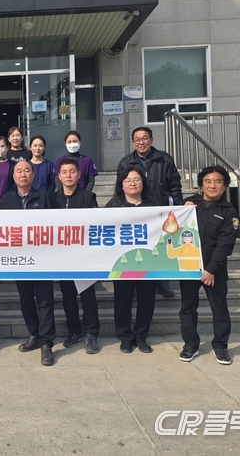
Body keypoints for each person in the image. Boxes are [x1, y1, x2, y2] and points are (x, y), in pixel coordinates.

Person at [178, 166, 239, 365]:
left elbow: (225, 244)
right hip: (189, 266)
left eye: (218, 181)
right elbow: (171, 225)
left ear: (224, 186)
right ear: (201, 185)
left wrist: (211, 270)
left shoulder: (228, 211)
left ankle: (220, 346)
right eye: (208, 181)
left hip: (214, 269)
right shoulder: (189, 204)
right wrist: (181, 207)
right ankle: (190, 344)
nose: (212, 185)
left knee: (219, 308)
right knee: (187, 307)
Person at [0, 161, 56, 366]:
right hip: (19, 259)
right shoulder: (7, 200)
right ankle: (34, 334)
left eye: (27, 170)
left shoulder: (43, 197)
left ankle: (47, 343)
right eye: (19, 171)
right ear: (13, 176)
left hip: (42, 258)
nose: (23, 174)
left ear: (33, 175)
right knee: (25, 299)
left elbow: (53, 226)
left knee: (45, 300)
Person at [117, 126, 183, 298]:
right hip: (134, 213)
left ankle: (162, 281)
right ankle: (134, 280)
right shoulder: (125, 162)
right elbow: (120, 189)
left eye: (145, 138)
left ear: (151, 140)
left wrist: (179, 208)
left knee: (159, 247)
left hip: (159, 212)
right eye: (137, 140)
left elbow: (175, 185)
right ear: (133, 143)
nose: (141, 142)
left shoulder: (164, 159)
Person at [48, 159, 100, 354]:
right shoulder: (51, 200)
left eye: (72, 171)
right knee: (68, 296)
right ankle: (74, 330)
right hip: (63, 257)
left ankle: (91, 332)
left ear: (79, 175)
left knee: (88, 296)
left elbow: (95, 224)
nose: (68, 175)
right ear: (59, 176)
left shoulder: (88, 197)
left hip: (84, 256)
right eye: (64, 172)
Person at [105, 166, 158, 354]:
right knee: (122, 301)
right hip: (122, 262)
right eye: (128, 180)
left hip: (148, 262)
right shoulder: (114, 205)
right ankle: (125, 337)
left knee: (147, 301)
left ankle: (141, 336)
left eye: (136, 180)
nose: (132, 183)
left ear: (143, 183)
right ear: (122, 185)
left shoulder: (153, 206)